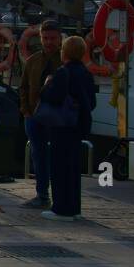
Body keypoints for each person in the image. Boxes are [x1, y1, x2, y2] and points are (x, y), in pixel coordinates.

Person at [38, 35, 97, 221]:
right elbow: (92, 102)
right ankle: (74, 208)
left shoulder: (64, 72)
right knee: (73, 168)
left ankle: (61, 209)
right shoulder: (86, 73)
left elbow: (54, 97)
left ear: (65, 52)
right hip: (78, 125)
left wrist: (46, 85)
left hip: (62, 125)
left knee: (59, 167)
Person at [18, 20, 60, 210]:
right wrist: (26, 112)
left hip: (58, 118)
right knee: (39, 156)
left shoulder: (65, 61)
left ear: (60, 39)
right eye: (45, 38)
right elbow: (23, 87)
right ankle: (42, 195)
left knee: (58, 157)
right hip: (34, 116)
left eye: (52, 38)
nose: (48, 42)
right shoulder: (33, 61)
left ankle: (59, 196)